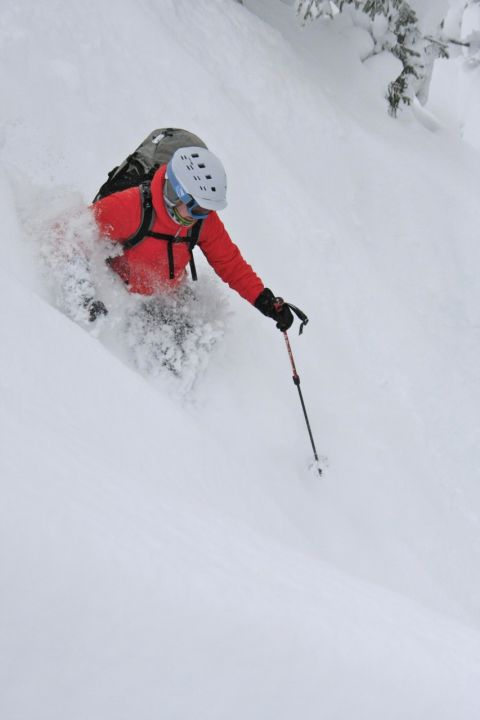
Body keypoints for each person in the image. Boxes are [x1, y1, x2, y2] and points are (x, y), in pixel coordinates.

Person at [89, 146, 294, 332]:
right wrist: (87, 296)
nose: (201, 216)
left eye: (207, 209)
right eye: (197, 208)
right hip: (124, 295)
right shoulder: (129, 207)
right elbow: (70, 233)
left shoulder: (202, 220)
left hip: (167, 299)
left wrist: (264, 300)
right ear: (177, 192)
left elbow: (229, 262)